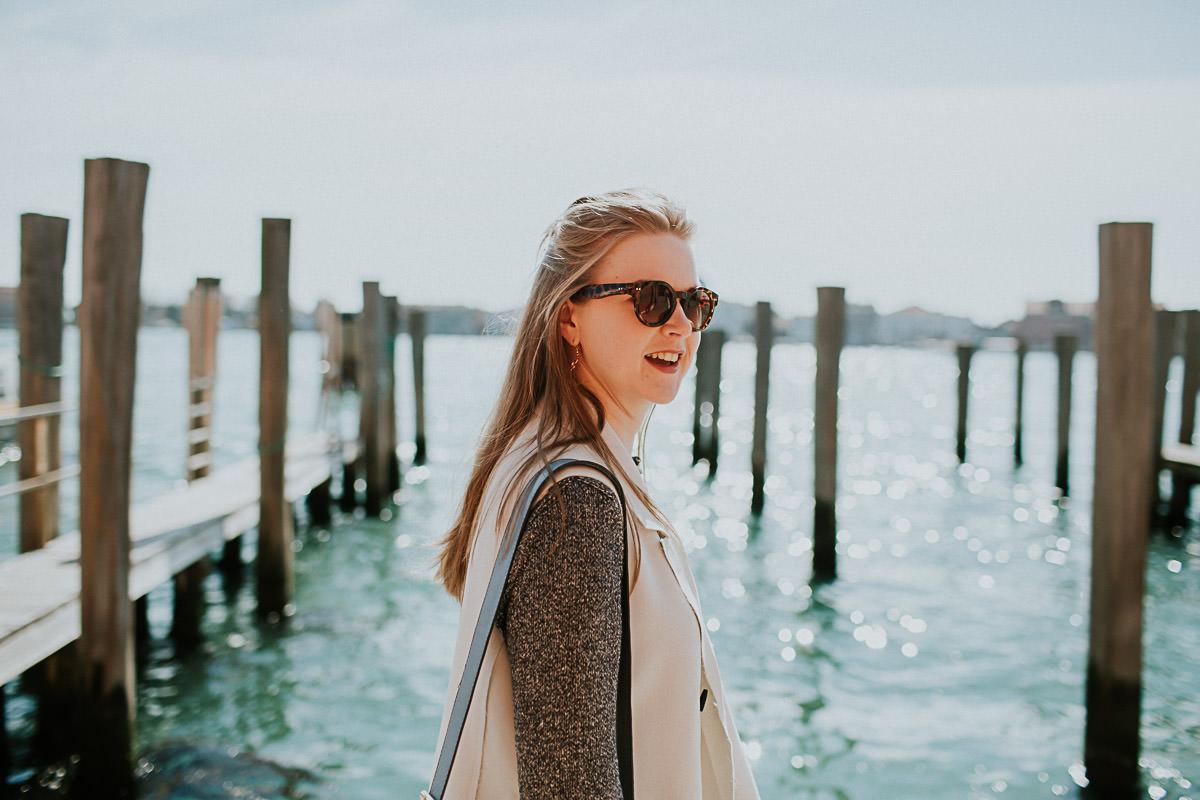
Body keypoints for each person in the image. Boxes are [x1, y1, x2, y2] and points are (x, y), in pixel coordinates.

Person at [429, 189, 760, 799]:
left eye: (695, 303)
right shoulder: (575, 500)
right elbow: (568, 784)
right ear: (569, 317)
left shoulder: (543, 463)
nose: (680, 324)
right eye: (652, 300)